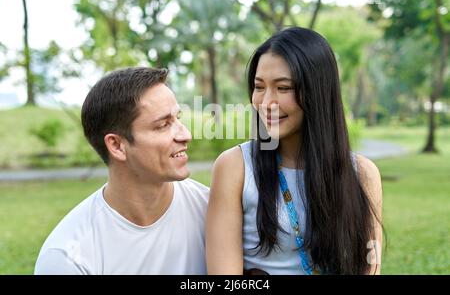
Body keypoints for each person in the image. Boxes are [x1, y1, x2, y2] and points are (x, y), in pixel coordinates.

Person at [206, 27, 383, 275]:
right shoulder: (235, 166)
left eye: (283, 88)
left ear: (317, 92)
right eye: (259, 87)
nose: (266, 103)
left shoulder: (363, 174)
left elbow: (369, 269)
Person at [35, 67, 209, 275]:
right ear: (117, 146)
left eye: (178, 118)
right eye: (163, 125)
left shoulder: (211, 210)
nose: (185, 134)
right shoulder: (68, 257)